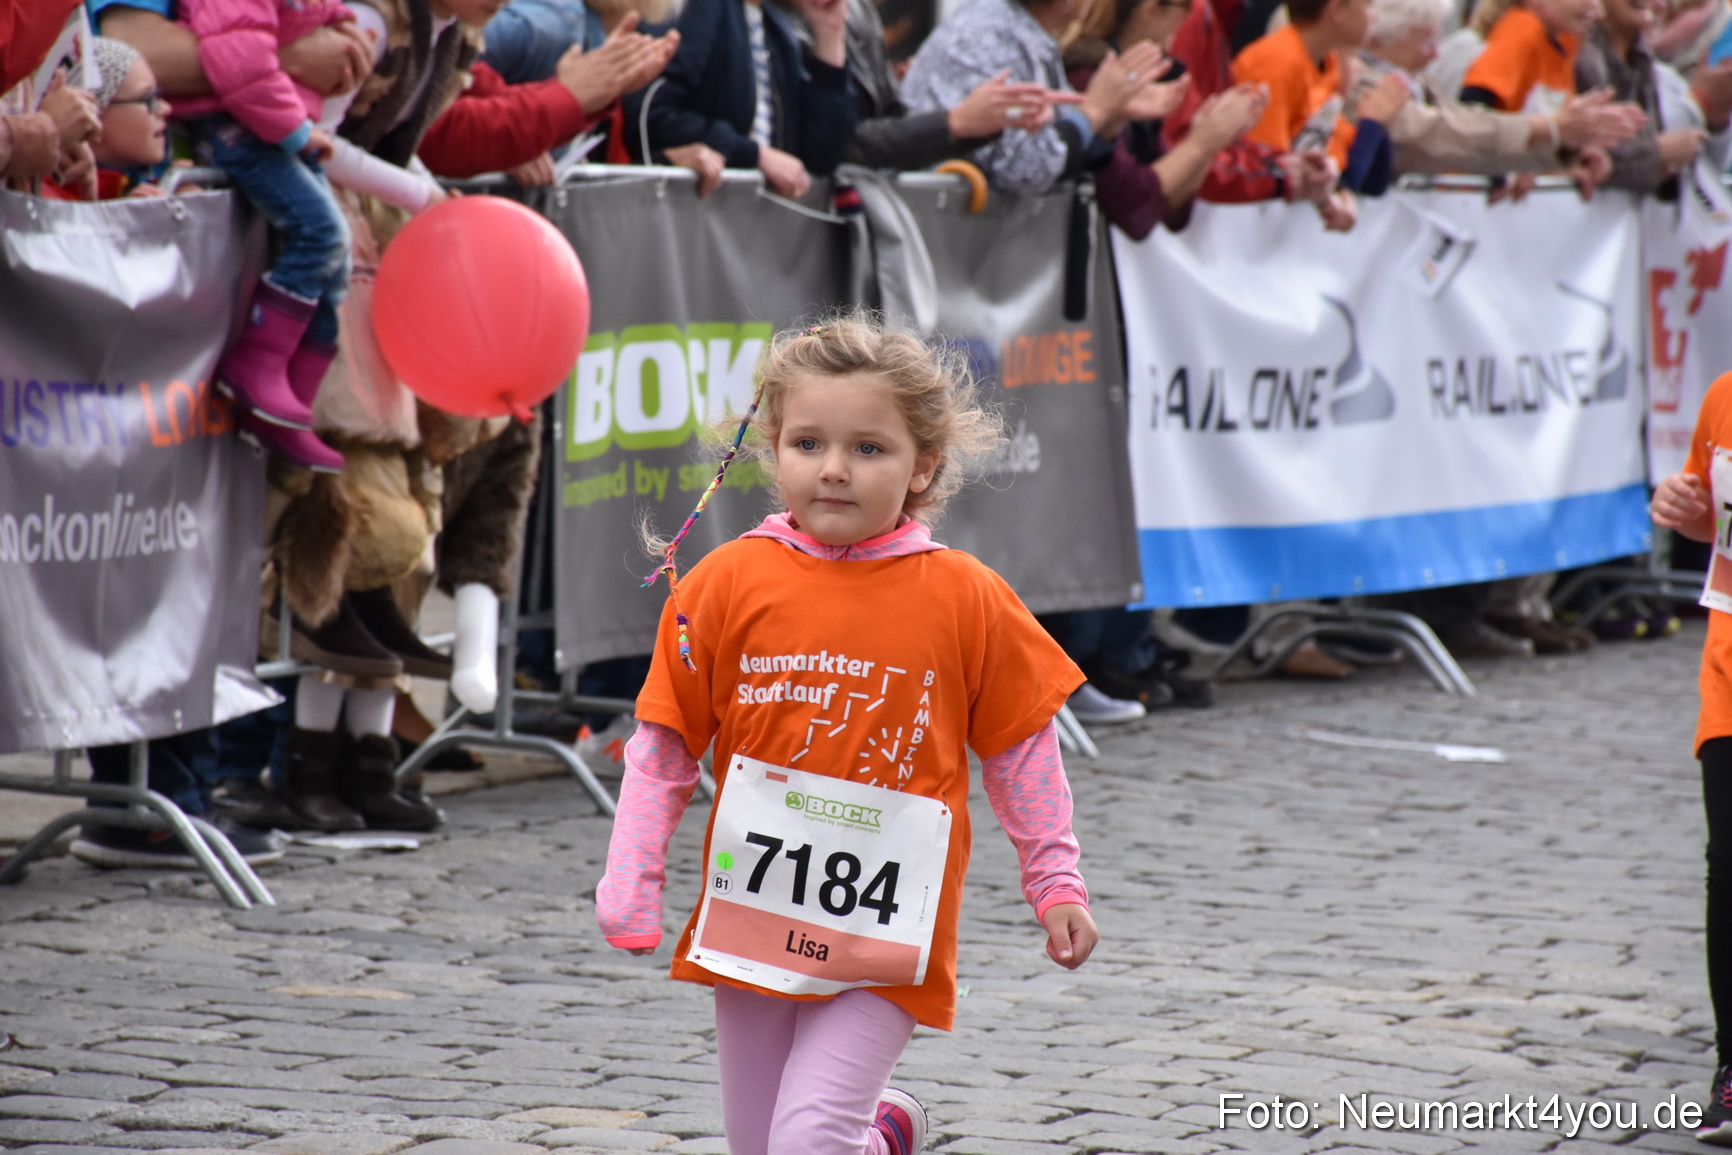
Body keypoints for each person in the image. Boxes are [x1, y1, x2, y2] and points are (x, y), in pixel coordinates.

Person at [595, 316, 1099, 1155]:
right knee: (761, 1146)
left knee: (806, 1142)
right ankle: (884, 1138)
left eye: (869, 448)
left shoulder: (966, 595)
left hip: (887, 932)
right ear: (774, 449)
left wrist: (1057, 880)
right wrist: (631, 876)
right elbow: (664, 743)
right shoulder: (722, 583)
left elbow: (1021, 746)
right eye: (807, 442)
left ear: (923, 464)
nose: (833, 468)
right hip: (753, 916)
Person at [176, 0, 357, 466]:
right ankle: (258, 367)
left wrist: (342, 24)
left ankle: (293, 406)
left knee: (338, 263)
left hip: (275, 124)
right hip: (242, 127)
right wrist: (295, 132)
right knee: (321, 233)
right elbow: (242, 63)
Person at [1647, 370, 1732, 1145]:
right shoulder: (1725, 395)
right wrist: (1686, 508)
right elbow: (1709, 517)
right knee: (1731, 863)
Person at [901, 0, 1173, 196]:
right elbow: (1026, 168)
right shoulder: (994, 35)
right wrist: (1094, 111)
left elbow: (1060, 151)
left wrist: (1109, 116)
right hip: (944, 243)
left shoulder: (1015, 30)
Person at [1355, 0, 1645, 176]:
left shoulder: (1566, 44)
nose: (1593, 7)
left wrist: (1561, 149)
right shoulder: (1522, 29)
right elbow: (1468, 114)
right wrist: (1551, 131)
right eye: (1426, 42)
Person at [1065, 0, 1269, 236]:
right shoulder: (1088, 79)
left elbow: (1172, 209)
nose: (1186, 20)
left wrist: (1213, 138)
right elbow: (1133, 207)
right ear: (1150, 9)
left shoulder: (1142, 79)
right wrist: (1199, 144)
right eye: (1184, 9)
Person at [631, 0, 858, 197]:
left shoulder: (778, 30)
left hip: (748, 228)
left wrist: (830, 34)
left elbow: (815, 163)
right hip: (691, 219)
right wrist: (753, 155)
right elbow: (648, 112)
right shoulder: (697, 8)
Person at [1231, 0, 1402, 209]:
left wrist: (1377, 125)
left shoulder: (1327, 63)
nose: (1375, 16)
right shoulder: (1278, 61)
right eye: (1367, 6)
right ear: (1336, 9)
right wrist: (1373, 123)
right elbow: (1266, 172)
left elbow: (1361, 180)